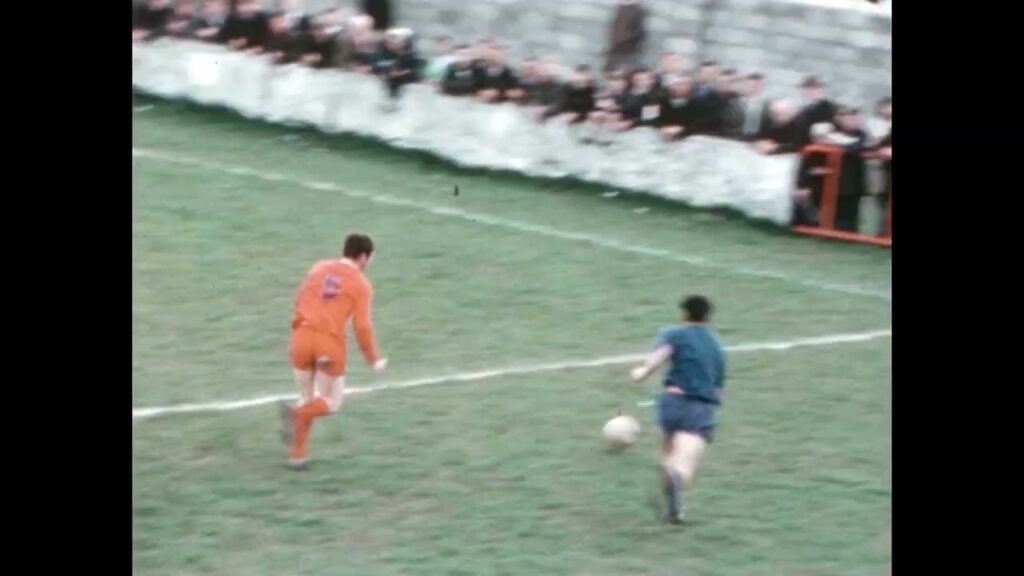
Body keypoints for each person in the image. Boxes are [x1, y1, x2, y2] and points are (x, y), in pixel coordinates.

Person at [279, 233, 388, 469]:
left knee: (307, 398)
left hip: (301, 337)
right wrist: (373, 359)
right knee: (331, 401)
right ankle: (296, 414)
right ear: (362, 257)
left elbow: (299, 299)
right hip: (327, 342)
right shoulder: (361, 284)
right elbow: (362, 326)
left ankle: (297, 456)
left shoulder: (319, 267)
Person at [629, 295, 726, 525]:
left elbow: (657, 358)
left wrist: (640, 373)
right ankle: (676, 479)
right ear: (708, 317)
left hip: (670, 403)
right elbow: (719, 388)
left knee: (668, 455)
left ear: (684, 314)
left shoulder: (674, 333)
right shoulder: (716, 345)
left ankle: (673, 509)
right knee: (683, 463)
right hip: (699, 407)